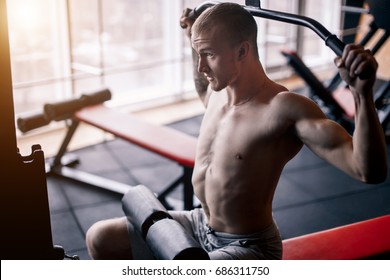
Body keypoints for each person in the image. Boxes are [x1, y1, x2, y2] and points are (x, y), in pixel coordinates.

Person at [85, 3, 387, 260]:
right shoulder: (219, 93)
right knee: (100, 237)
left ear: (242, 51)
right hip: (198, 222)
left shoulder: (283, 109)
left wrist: (361, 94)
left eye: (209, 54)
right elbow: (204, 86)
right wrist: (195, 37)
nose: (202, 65)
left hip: (247, 246)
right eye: (197, 53)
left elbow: (367, 170)